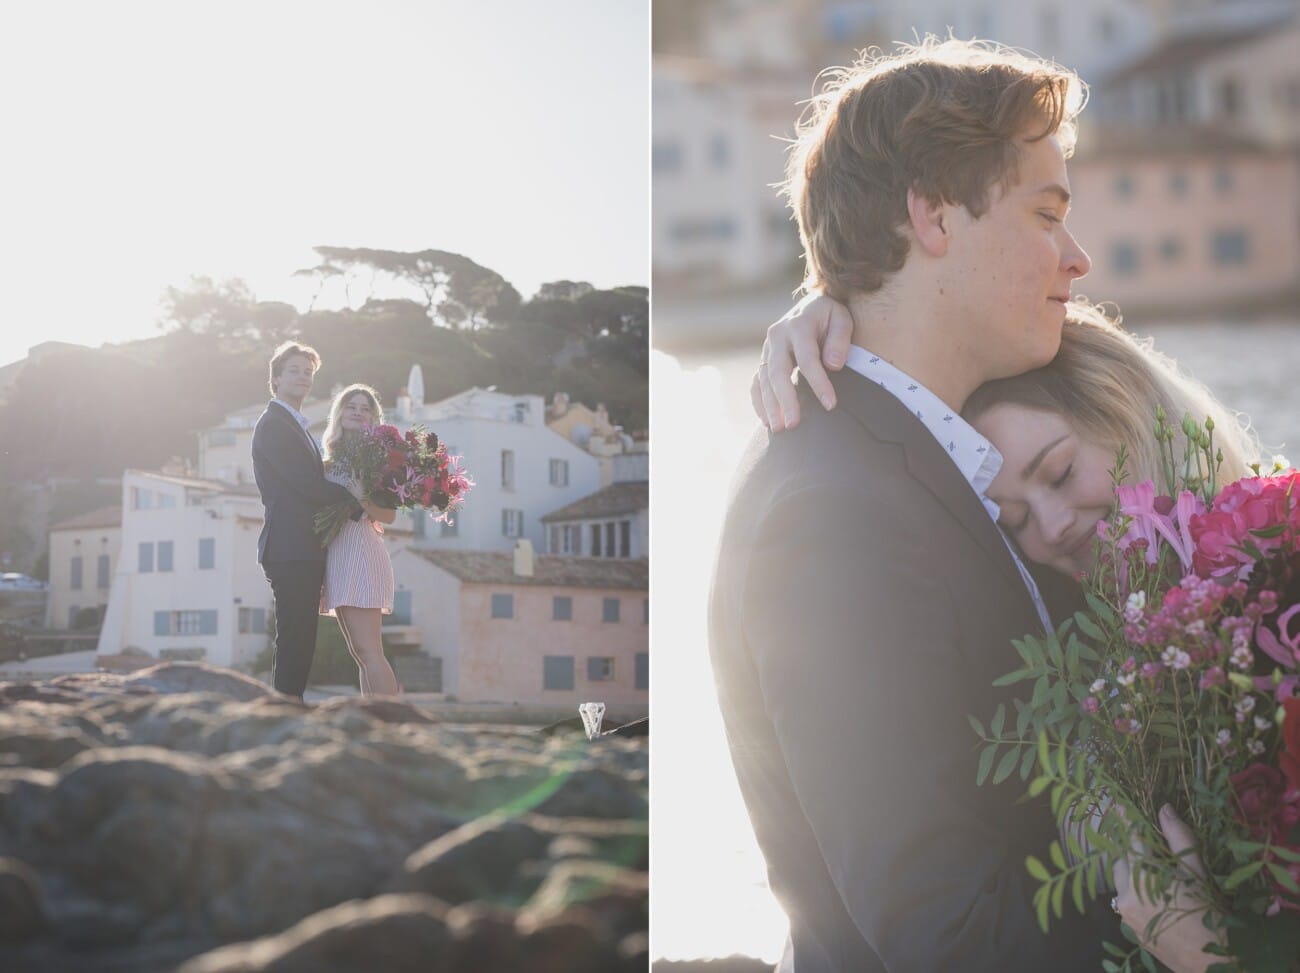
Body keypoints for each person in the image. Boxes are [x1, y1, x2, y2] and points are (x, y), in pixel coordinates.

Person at [708, 36, 1112, 972]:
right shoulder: (833, 513)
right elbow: (945, 934)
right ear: (932, 216)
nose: (1078, 256)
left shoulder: (915, 452)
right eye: (1047, 213)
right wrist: (1190, 913)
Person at [751, 300, 1261, 971]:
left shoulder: (1274, 558)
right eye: (1013, 520)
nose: (1049, 526)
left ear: (1128, 408)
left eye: (1059, 472)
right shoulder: (1079, 640)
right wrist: (823, 324)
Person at [251, 341, 363, 700]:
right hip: (290, 546)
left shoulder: (294, 424)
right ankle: (285, 709)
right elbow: (305, 484)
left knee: (301, 636)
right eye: (295, 370)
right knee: (295, 636)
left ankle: (288, 706)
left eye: (308, 372)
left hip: (302, 547)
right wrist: (359, 502)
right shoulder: (274, 425)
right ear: (277, 378)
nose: (303, 377)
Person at [318, 384, 402, 697]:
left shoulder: (376, 460)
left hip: (360, 553)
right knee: (360, 653)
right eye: (350, 405)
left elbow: (389, 516)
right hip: (337, 557)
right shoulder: (329, 461)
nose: (357, 411)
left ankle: (393, 722)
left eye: (365, 407)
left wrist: (361, 495)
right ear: (339, 414)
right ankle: (375, 719)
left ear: (373, 418)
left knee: (370, 652)